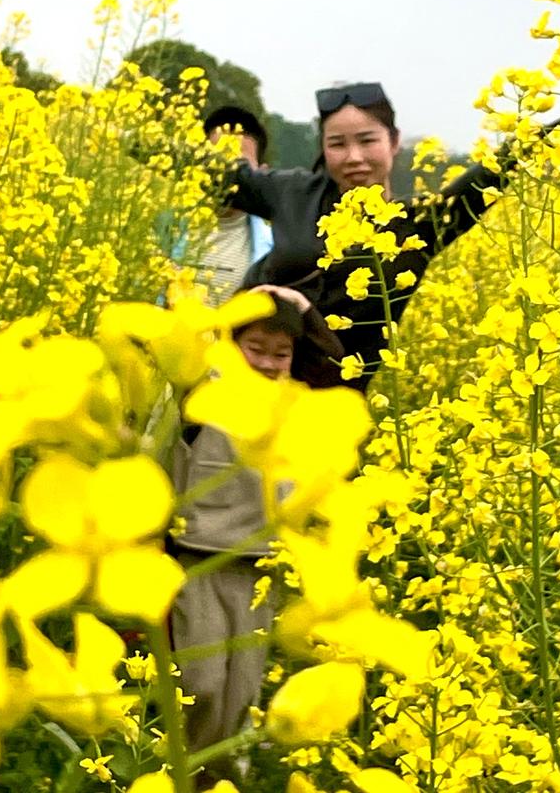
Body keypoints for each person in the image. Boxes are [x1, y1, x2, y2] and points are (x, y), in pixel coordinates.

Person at [223, 74, 560, 390]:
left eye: (367, 140)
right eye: (337, 144)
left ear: (394, 141)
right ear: (322, 148)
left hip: (331, 409)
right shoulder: (293, 191)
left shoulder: (420, 225)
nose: (354, 158)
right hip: (243, 385)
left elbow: (485, 177)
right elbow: (227, 177)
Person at [169, 285, 343, 790]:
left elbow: (337, 369)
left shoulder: (298, 399)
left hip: (261, 566)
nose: (269, 363)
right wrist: (243, 302)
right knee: (200, 686)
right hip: (198, 557)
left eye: (281, 354)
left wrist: (308, 314)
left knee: (240, 692)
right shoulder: (204, 389)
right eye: (257, 349)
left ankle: (219, 779)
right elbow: (185, 342)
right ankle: (187, 774)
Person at [155, 106, 274, 306]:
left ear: (262, 174)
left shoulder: (277, 249)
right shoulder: (160, 230)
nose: (225, 174)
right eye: (216, 161)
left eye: (240, 166)